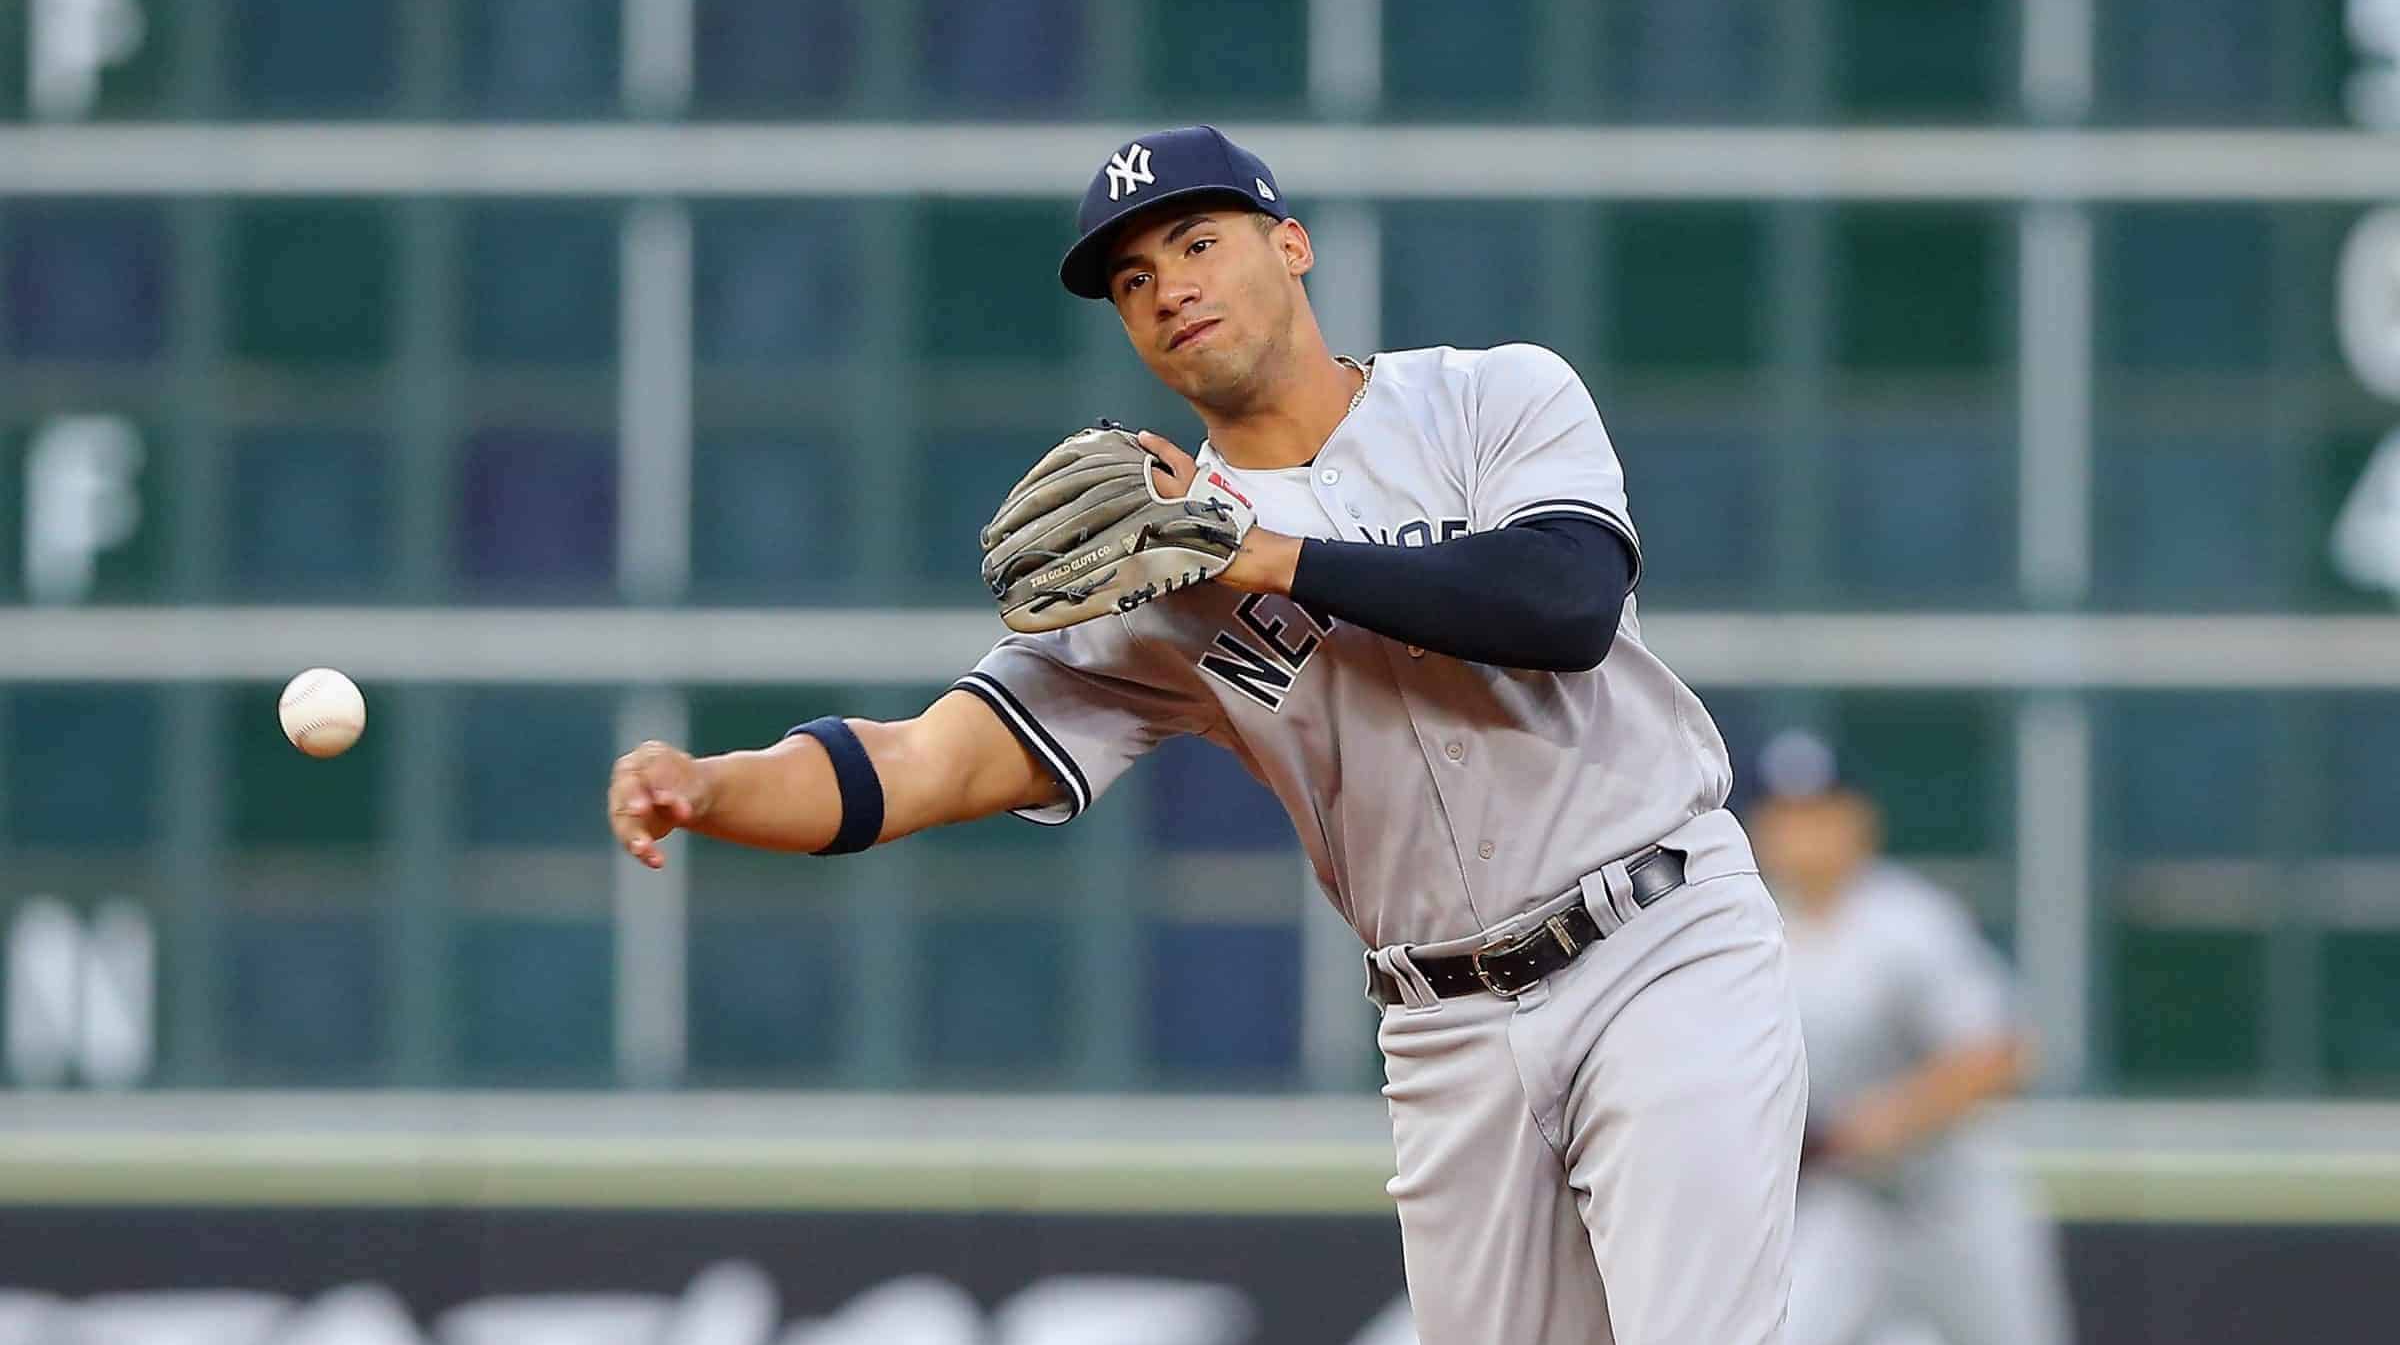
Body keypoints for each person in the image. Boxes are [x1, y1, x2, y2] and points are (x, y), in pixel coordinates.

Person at [608, 124, 1807, 1344]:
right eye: (1133, 279)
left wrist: (1250, 549)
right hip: (1448, 1025)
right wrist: (710, 786)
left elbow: (1565, 605)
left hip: (1657, 944)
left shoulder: (1489, 396)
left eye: (1197, 241)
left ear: (1291, 246)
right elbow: (924, 762)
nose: (1169, 285)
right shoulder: (1149, 578)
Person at [1746, 730, 2075, 1345]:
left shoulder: (1905, 921)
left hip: (1955, 1196)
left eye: (1821, 812)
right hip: (1844, 1204)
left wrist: (1889, 1118)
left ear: (1859, 820)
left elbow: (2002, 1053)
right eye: (1787, 816)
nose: (1804, 833)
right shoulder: (1747, 928)